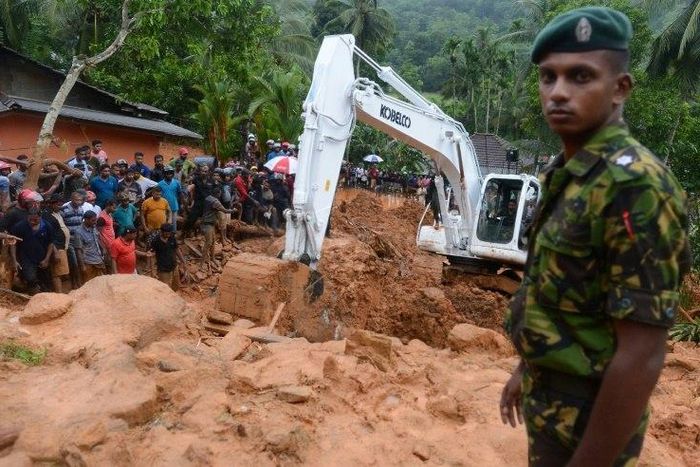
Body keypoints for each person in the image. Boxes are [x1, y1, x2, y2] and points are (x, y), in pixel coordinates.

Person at [499, 8, 691, 467]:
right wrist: (527, 368)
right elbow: (558, 291)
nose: (559, 92)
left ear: (620, 88)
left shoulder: (635, 187)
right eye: (549, 77)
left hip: (594, 423)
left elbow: (642, 354)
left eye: (580, 76)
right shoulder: (568, 174)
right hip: (551, 402)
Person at [9, 207, 55, 294]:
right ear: (27, 217)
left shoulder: (47, 226)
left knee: (46, 281)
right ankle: (33, 297)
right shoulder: (19, 226)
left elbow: (51, 243)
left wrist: (47, 259)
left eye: (35, 220)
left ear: (40, 217)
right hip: (27, 258)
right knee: (30, 278)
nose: (32, 222)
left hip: (42, 257)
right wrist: (14, 260)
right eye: (30, 219)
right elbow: (13, 243)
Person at [43, 194, 70, 293]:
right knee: (57, 272)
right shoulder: (47, 216)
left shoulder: (57, 213)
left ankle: (60, 292)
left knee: (62, 272)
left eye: (61, 205)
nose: (60, 207)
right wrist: (55, 251)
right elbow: (49, 236)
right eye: (58, 205)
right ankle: (59, 294)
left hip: (63, 246)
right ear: (52, 204)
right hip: (56, 247)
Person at [201, 186, 233, 267]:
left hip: (208, 223)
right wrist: (234, 210)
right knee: (208, 243)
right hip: (208, 224)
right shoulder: (215, 202)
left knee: (212, 241)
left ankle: (212, 258)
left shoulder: (208, 198)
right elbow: (225, 210)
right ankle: (202, 263)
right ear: (218, 193)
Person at [149, 223, 185, 290]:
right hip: (163, 269)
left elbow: (177, 249)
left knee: (176, 286)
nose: (168, 235)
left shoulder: (172, 238)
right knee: (165, 289)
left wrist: (183, 261)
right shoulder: (156, 241)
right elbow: (152, 256)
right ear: (161, 232)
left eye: (169, 233)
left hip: (174, 266)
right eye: (166, 233)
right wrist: (152, 271)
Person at [74, 211, 105, 283]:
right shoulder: (78, 232)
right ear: (86, 220)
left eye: (95, 220)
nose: (95, 222)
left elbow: (98, 240)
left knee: (101, 284)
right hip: (88, 264)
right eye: (93, 220)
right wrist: (82, 266)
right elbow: (78, 251)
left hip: (99, 260)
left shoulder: (94, 228)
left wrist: (103, 250)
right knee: (89, 285)